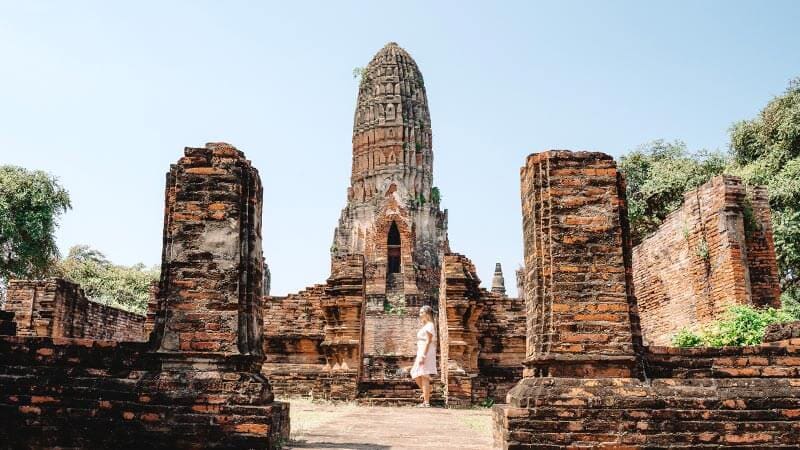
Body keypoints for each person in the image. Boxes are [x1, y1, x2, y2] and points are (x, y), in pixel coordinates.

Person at [410, 305, 437, 407]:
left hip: (426, 351)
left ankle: (426, 402)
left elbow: (428, 341)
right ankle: (427, 392)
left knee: (423, 375)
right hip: (422, 351)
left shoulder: (430, 325)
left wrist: (423, 355)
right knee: (415, 372)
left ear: (427, 314)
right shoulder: (426, 325)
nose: (420, 314)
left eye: (422, 312)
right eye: (420, 312)